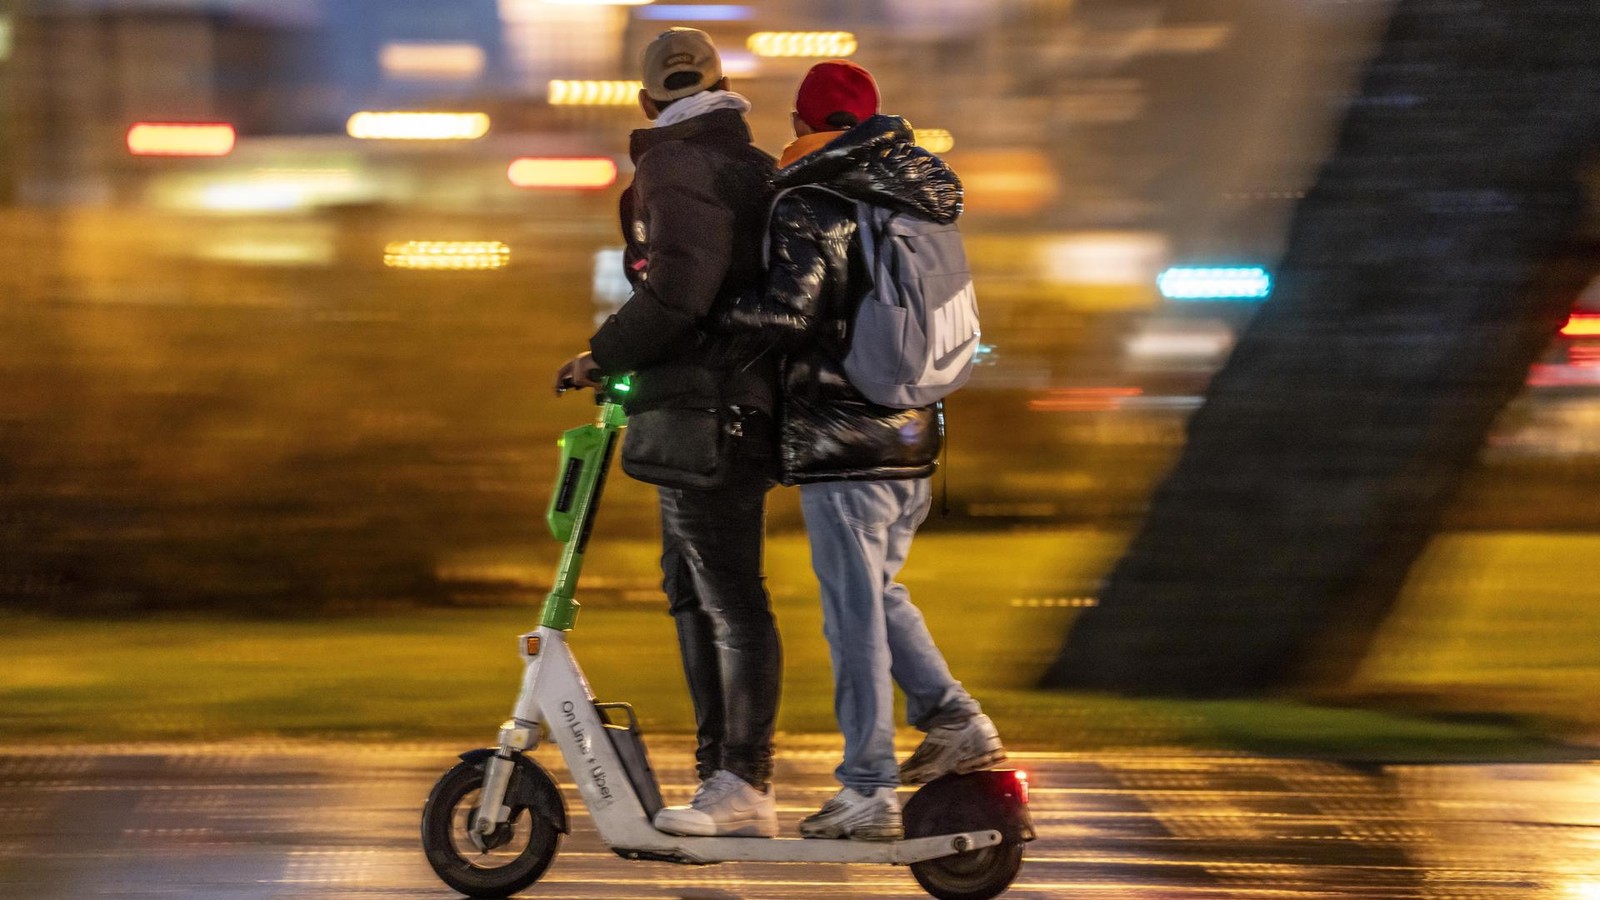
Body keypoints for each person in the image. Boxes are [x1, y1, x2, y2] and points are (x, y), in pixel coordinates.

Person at [720, 60, 1005, 841]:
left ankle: (869, 789)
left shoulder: (814, 198)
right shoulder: (919, 194)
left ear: (806, 122)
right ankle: (955, 722)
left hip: (845, 437)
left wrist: (710, 314)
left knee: (853, 618)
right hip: (912, 429)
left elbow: (788, 313)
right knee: (879, 595)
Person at [553, 27, 781, 839]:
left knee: (726, 598)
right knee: (696, 591)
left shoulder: (675, 164)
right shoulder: (750, 162)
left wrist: (599, 354)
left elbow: (680, 293)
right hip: (729, 402)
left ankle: (743, 783)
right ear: (723, 85)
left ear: (646, 99)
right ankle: (721, 778)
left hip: (703, 408)